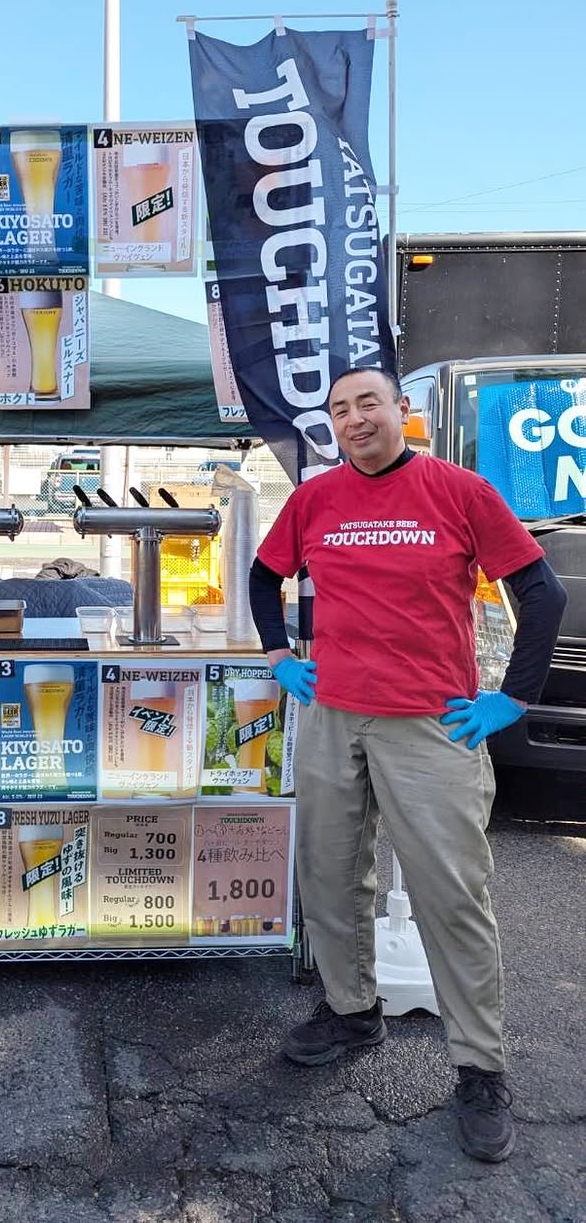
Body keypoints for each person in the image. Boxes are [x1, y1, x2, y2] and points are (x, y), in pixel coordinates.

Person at [248, 367, 566, 1164]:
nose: (355, 418)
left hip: (431, 722)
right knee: (328, 875)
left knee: (451, 894)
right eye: (340, 409)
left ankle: (481, 1067)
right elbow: (263, 574)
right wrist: (279, 653)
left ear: (401, 409)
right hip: (334, 716)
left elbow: (544, 591)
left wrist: (513, 697)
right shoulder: (315, 498)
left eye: (368, 402)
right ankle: (352, 1011)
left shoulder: (459, 491)